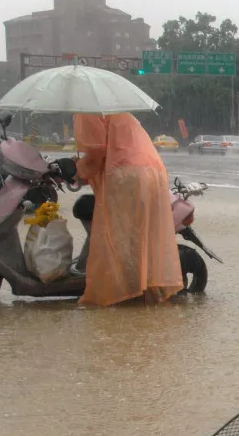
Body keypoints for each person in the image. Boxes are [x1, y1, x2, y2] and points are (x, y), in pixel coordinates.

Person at [72, 112, 183, 305]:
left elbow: (97, 152)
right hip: (153, 172)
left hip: (127, 174)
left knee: (118, 237)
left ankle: (123, 291)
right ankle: (146, 290)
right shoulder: (122, 113)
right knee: (140, 237)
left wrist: (77, 169)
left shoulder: (88, 112)